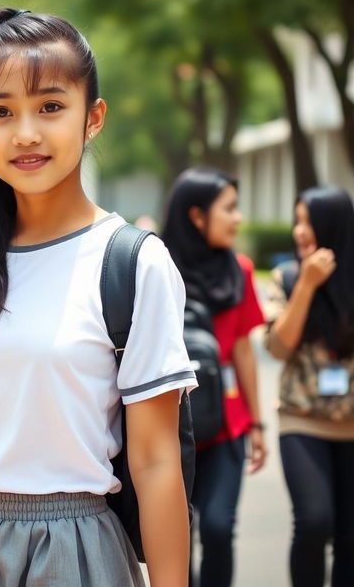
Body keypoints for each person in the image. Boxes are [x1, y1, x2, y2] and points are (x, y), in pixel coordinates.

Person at [0, 8, 198, 587]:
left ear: (92, 118)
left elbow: (156, 462)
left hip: (74, 550)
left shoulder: (131, 261)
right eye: (1, 111)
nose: (25, 132)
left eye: (50, 106)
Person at [161, 168, 267, 587]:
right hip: (167, 425)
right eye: (229, 208)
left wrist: (256, 422)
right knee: (176, 532)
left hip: (227, 423)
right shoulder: (156, 267)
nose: (238, 218)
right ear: (197, 216)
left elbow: (242, 348)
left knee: (220, 529)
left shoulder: (239, 271)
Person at [265, 186, 354, 587]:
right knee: (314, 521)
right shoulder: (286, 278)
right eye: (296, 220)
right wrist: (307, 284)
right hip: (301, 421)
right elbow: (279, 347)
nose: (300, 231)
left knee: (351, 537)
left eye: (309, 221)